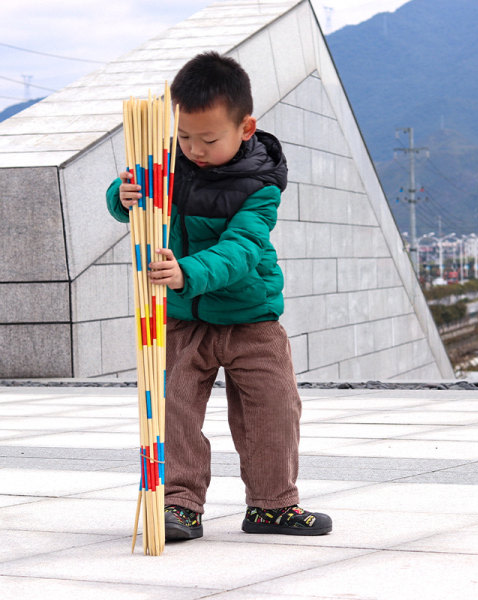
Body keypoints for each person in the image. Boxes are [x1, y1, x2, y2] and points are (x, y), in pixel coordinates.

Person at [106, 51, 332, 540]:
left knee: (274, 407)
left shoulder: (261, 182)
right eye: (184, 136)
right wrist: (121, 198)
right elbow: (131, 204)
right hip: (184, 317)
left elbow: (243, 249)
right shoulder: (165, 164)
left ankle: (272, 504)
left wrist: (185, 271)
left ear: (246, 127)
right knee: (172, 405)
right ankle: (179, 503)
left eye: (208, 139)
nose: (194, 149)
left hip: (252, 317)